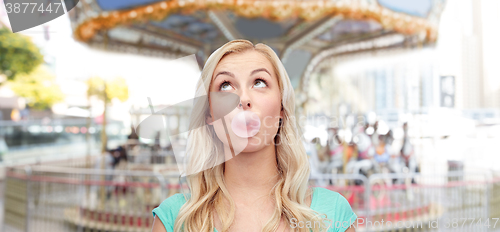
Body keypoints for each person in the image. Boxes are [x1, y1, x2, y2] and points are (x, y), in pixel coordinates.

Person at [151, 40, 356, 232]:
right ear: (209, 115)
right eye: (226, 85)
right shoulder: (173, 218)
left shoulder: (332, 213)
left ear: (282, 108)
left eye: (259, 82)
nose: (243, 99)